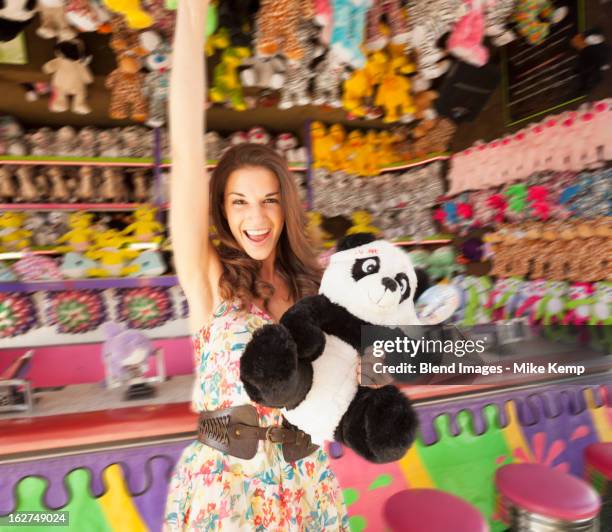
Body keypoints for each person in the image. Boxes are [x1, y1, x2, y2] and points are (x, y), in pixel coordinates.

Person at [163, 1, 349, 529]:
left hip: (307, 484)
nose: (256, 217)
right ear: (221, 209)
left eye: (269, 200)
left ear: (286, 206)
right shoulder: (210, 278)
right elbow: (182, 145)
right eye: (239, 202)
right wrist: (192, 17)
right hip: (224, 491)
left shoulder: (317, 289)